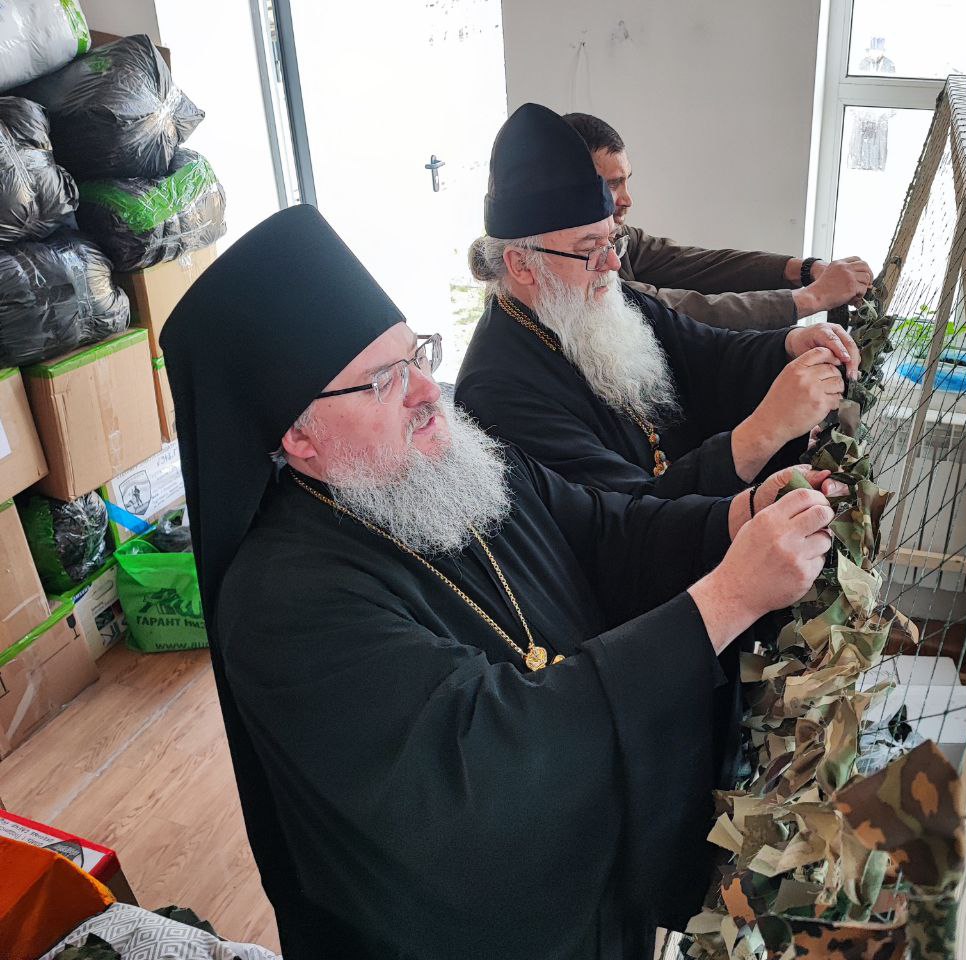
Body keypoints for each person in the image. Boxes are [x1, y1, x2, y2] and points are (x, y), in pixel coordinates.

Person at [160, 203, 845, 959]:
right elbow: (487, 755)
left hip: (590, 871)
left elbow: (606, 530)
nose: (427, 392)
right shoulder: (281, 605)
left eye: (417, 355)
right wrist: (729, 597)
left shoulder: (451, 463)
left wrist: (741, 515)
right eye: (384, 381)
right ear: (298, 436)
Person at [457, 103, 859, 499]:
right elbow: (624, 518)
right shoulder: (496, 390)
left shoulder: (595, 291)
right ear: (522, 265)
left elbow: (708, 350)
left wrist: (790, 345)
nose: (613, 263)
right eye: (590, 248)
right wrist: (766, 431)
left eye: (611, 241)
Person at [560, 111, 874, 330]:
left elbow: (697, 264)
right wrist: (813, 297)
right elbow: (677, 308)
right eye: (612, 185)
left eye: (627, 181)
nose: (627, 200)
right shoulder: (568, 266)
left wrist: (804, 270)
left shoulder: (618, 238)